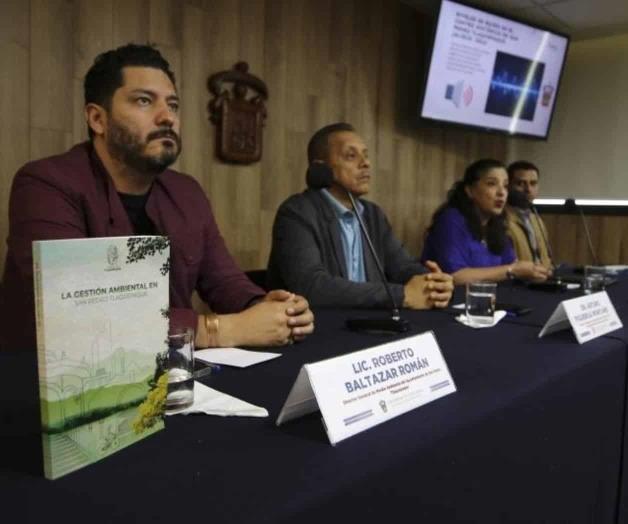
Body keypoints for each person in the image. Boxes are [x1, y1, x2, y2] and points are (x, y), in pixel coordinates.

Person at [0, 43, 313, 351]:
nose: (167, 117)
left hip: (173, 378)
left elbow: (224, 281)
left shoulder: (186, 191)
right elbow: (80, 314)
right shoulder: (46, 184)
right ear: (98, 119)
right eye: (144, 101)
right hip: (56, 386)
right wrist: (220, 330)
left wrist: (271, 308)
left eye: (173, 106)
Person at [266, 122, 453, 310]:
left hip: (371, 323)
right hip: (320, 328)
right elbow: (312, 287)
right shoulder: (297, 213)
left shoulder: (373, 215)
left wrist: (433, 283)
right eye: (351, 156)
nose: (366, 163)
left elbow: (403, 267)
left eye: (366, 155)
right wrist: (401, 295)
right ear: (320, 169)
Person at [421, 159, 549, 285]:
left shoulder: (496, 223)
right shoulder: (451, 220)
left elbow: (512, 264)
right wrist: (512, 271)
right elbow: (455, 276)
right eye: (491, 184)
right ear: (470, 190)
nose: (501, 193)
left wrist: (532, 272)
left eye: (505, 186)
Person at [506, 160, 552, 269]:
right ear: (507, 186)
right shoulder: (500, 219)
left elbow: (546, 259)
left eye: (533, 183)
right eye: (521, 184)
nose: (528, 189)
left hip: (542, 280)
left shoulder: (536, 219)